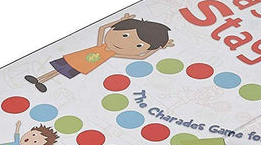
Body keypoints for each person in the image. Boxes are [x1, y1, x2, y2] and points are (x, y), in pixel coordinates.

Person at [24, 13, 173, 92]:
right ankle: (38, 79)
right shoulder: (101, 45)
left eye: (139, 45)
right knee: (60, 67)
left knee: (63, 71)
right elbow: (102, 28)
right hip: (82, 56)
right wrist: (118, 21)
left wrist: (159, 47)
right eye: (125, 35)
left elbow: (142, 57)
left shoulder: (113, 54)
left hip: (87, 64)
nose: (124, 43)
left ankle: (41, 81)